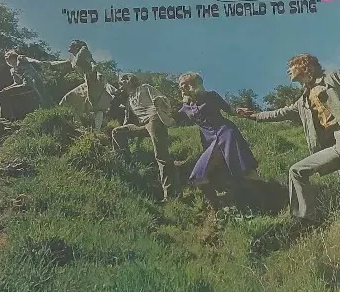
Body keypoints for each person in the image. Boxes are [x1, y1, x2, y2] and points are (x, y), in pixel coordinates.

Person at [237, 53, 340, 273]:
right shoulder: (303, 100)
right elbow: (279, 113)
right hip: (335, 146)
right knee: (297, 171)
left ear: (305, 66)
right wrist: (253, 115)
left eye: (292, 66)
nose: (288, 70)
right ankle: (305, 218)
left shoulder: (334, 77)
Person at [177, 72, 259, 186]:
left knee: (244, 168)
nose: (181, 88)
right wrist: (161, 110)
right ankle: (221, 195)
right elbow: (172, 121)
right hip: (209, 140)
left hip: (226, 133)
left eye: (184, 85)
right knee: (198, 177)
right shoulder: (185, 107)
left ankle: (262, 188)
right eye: (180, 86)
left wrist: (239, 111)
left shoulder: (211, 96)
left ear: (194, 85)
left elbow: (229, 109)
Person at [111, 73, 179, 202]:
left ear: (129, 80)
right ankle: (126, 165)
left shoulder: (145, 87)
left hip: (154, 119)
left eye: (122, 81)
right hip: (142, 125)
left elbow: (161, 98)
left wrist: (160, 105)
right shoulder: (128, 100)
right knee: (117, 132)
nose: (120, 84)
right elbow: (127, 121)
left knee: (161, 156)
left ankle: (171, 194)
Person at [52, 39, 119, 131]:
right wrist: (42, 63)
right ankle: (79, 126)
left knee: (96, 104)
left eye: (72, 44)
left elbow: (92, 62)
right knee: (68, 99)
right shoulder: (72, 59)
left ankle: (97, 130)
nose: (69, 45)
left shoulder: (83, 51)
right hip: (87, 81)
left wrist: (98, 74)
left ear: (76, 47)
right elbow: (59, 63)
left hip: (94, 78)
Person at [0, 50, 54, 119]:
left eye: (9, 59)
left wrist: (40, 62)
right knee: (0, 94)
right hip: (26, 85)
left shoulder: (20, 58)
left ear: (13, 58)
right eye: (7, 61)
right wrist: (6, 88)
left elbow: (30, 60)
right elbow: (17, 83)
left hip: (34, 80)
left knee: (44, 97)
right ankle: (7, 118)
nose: (8, 62)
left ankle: (52, 110)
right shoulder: (12, 70)